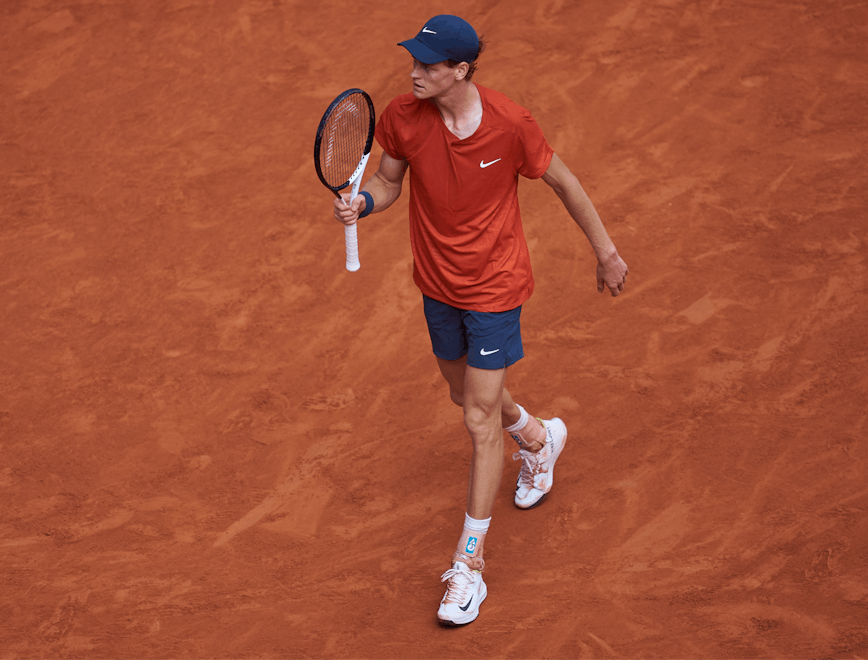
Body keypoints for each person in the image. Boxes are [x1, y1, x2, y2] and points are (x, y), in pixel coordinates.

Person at [331, 15, 628, 626]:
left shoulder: (511, 124)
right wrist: (362, 202)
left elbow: (566, 185)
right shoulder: (402, 117)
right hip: (437, 284)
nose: (413, 72)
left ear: (460, 71)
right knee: (459, 389)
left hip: (495, 287)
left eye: (427, 65)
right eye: (413, 61)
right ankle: (539, 440)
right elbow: (388, 183)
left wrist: (606, 251)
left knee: (476, 415)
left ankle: (468, 566)